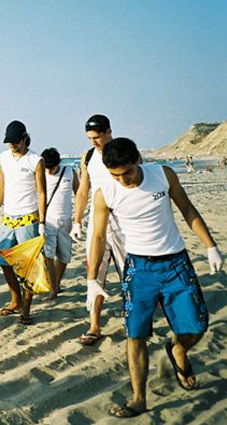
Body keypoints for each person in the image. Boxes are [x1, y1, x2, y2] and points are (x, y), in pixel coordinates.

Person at [86, 137, 223, 418]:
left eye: (127, 173)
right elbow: (99, 237)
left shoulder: (162, 175)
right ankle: (138, 398)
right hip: (138, 270)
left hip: (176, 262)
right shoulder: (106, 193)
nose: (123, 180)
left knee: (197, 325)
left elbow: (187, 209)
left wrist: (210, 246)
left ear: (138, 160)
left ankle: (178, 350)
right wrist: (92, 281)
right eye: (115, 175)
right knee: (135, 334)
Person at [71, 114, 126, 346]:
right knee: (94, 272)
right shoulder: (89, 156)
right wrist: (77, 220)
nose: (93, 142)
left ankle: (133, 319)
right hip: (97, 222)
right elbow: (83, 190)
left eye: (97, 137)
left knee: (129, 273)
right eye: (89, 138)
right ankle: (94, 324)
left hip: (124, 221)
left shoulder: (124, 151)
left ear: (109, 131)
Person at [0, 120, 46, 325]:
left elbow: (41, 192)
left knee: (28, 266)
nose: (11, 145)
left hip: (28, 219)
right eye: (8, 142)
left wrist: (43, 221)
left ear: (24, 138)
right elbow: (3, 186)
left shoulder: (35, 160)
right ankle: (16, 300)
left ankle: (26, 310)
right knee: (4, 262)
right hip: (8, 219)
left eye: (15, 142)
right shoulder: (4, 157)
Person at [40, 148, 78, 299]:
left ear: (59, 163)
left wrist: (78, 220)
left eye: (53, 168)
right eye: (47, 168)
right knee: (48, 255)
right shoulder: (40, 173)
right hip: (47, 220)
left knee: (63, 256)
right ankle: (53, 289)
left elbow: (79, 192)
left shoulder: (70, 172)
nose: (50, 171)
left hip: (66, 220)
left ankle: (56, 283)